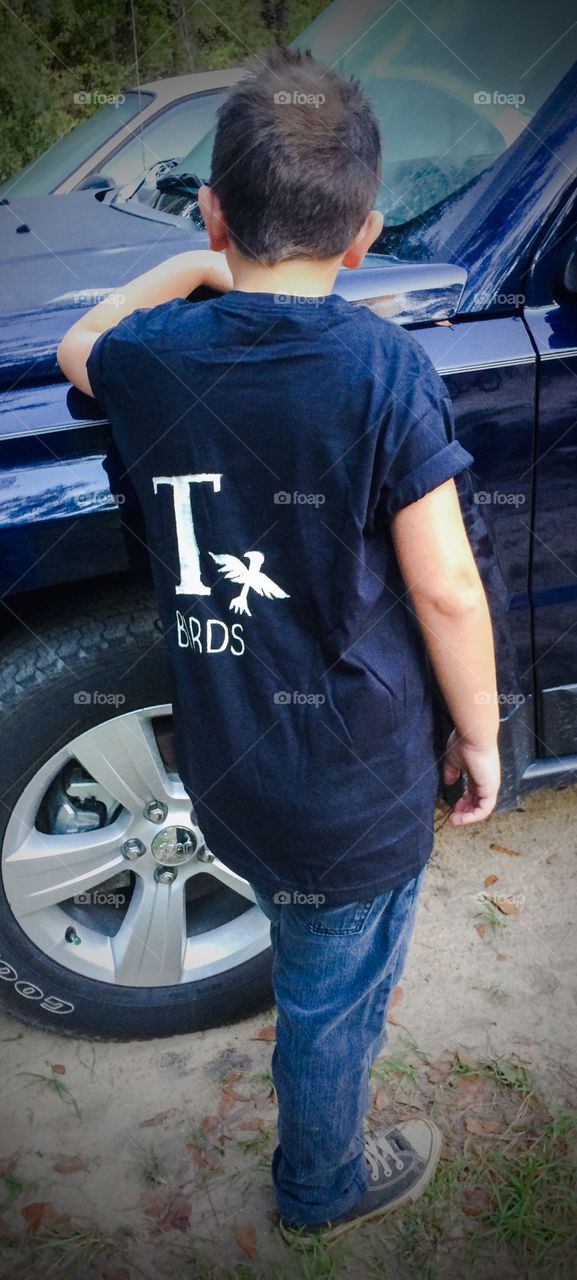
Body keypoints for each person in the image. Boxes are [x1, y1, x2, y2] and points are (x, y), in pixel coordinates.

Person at [58, 47, 500, 1246]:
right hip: (356, 785)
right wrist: (481, 730)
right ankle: (319, 1182)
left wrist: (192, 266)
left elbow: (78, 345)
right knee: (328, 994)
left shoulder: (155, 361)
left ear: (212, 209)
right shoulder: (383, 372)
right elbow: (448, 590)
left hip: (232, 762)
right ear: (361, 235)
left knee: (308, 946)